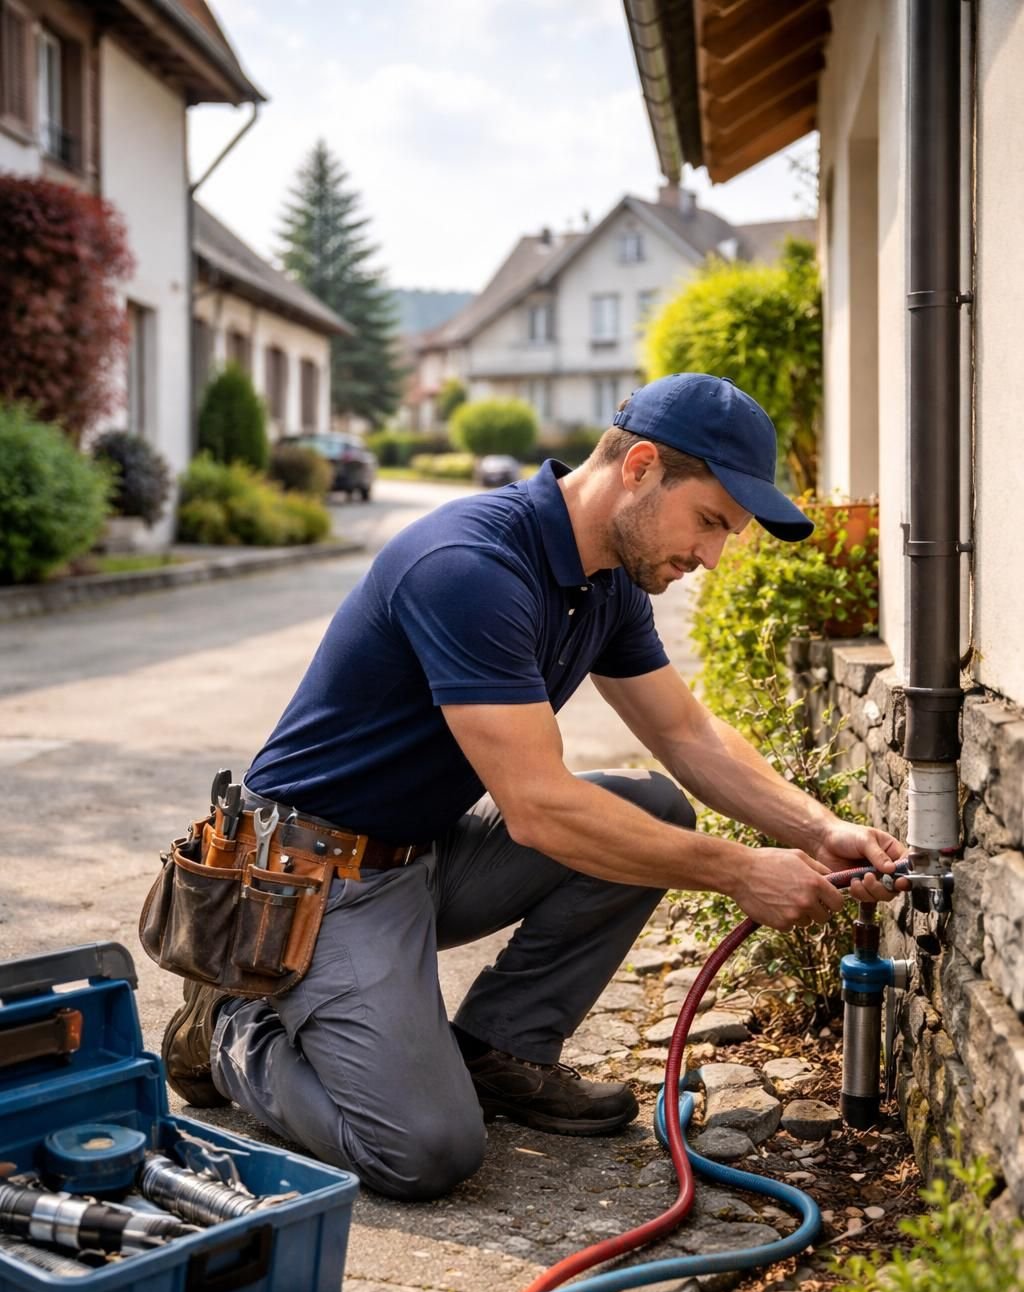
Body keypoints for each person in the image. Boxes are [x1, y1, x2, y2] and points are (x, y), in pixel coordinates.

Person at [162, 374, 906, 1201]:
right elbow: (540, 807)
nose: (710, 557)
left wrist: (814, 829)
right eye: (708, 522)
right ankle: (234, 1029)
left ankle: (497, 1050)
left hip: (421, 857)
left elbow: (685, 734)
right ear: (641, 467)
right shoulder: (470, 566)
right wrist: (740, 870)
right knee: (424, 1150)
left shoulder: (610, 582)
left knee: (653, 811)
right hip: (310, 882)